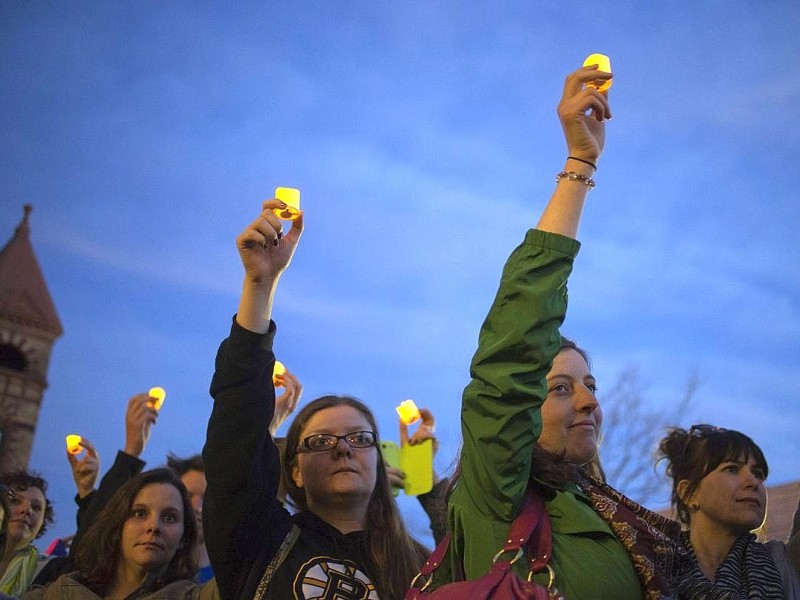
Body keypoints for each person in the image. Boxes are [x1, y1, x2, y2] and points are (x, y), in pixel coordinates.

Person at [433, 65, 684, 599]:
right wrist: (579, 165)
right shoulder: (496, 492)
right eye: (561, 388)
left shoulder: (610, 514)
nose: (590, 402)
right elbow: (517, 342)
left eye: (590, 384)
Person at [203, 201, 428, 599]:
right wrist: (259, 284)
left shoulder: (422, 570)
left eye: (360, 439)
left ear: (380, 458)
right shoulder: (257, 540)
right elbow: (236, 433)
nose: (343, 449)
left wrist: (425, 469)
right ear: (295, 471)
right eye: (321, 441)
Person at [23, 468, 216, 599]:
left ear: (184, 537)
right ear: (119, 524)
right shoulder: (59, 593)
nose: (154, 526)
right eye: (140, 513)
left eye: (169, 518)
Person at [658, 425, 800, 598]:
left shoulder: (785, 563)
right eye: (732, 469)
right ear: (689, 493)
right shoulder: (650, 565)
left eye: (758, 474)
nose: (753, 482)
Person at [0, 473, 54, 598]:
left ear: (42, 523)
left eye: (36, 507)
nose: (26, 510)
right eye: (15, 501)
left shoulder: (51, 573)